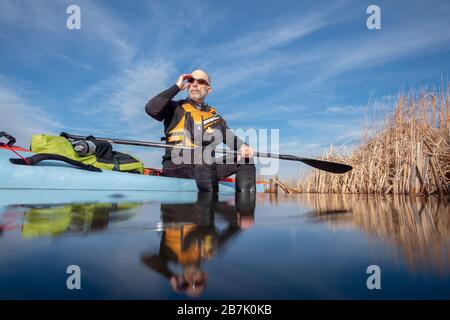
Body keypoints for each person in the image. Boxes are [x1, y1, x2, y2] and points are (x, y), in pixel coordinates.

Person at [145, 70, 256, 192]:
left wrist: (243, 146)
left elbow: (230, 138)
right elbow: (151, 109)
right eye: (191, 80)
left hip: (207, 167)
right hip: (177, 167)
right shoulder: (174, 107)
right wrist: (177, 87)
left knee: (246, 159)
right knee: (204, 156)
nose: (195, 84)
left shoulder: (215, 117)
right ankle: (207, 206)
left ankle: (245, 209)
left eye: (201, 81)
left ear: (209, 89)